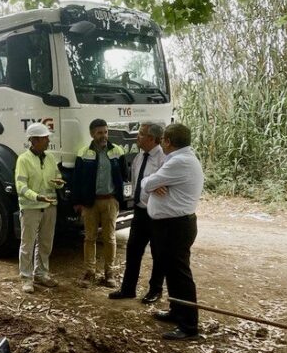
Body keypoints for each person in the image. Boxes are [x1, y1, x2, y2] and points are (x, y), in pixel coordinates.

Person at [140, 123, 205, 340]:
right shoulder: (179, 159)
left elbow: (148, 182)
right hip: (171, 225)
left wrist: (151, 183)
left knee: (180, 274)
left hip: (176, 226)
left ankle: (189, 325)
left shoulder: (179, 161)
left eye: (163, 141)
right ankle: (177, 311)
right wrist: (152, 183)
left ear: (168, 141)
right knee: (171, 271)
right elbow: (150, 183)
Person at [109, 122, 167, 303]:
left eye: (141, 134)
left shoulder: (164, 159)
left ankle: (155, 290)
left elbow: (166, 186)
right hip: (140, 212)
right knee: (133, 251)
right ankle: (128, 289)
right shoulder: (139, 157)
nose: (137, 137)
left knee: (158, 253)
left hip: (157, 214)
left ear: (152, 138)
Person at [70, 118, 128, 287]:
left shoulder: (117, 151)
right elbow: (77, 180)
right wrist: (77, 202)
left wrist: (118, 199)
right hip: (90, 203)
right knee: (90, 238)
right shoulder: (83, 153)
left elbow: (124, 174)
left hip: (110, 201)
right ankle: (90, 273)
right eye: (100, 133)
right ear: (92, 134)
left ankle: (109, 274)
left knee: (109, 238)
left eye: (106, 132)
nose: (104, 136)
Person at [14, 123, 64, 293]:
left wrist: (59, 183)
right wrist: (36, 197)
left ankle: (41, 274)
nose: (48, 140)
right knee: (27, 244)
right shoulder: (23, 160)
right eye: (45, 138)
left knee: (45, 243)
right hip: (30, 207)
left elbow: (57, 176)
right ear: (34, 140)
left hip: (49, 206)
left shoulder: (50, 158)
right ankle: (26, 278)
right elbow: (20, 186)